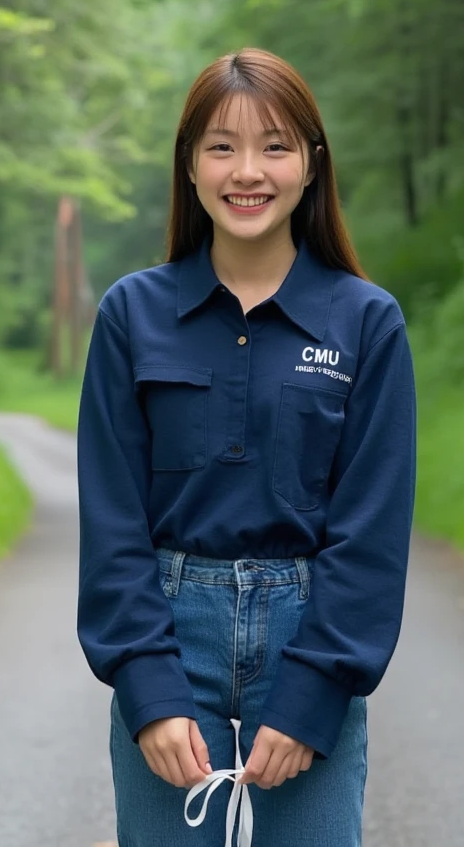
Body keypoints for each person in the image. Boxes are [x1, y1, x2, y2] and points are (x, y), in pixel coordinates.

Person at [76, 47, 417, 847]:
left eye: (275, 146)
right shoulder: (133, 314)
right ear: (190, 166)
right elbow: (113, 520)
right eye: (221, 146)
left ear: (311, 166)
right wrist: (146, 685)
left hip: (311, 628)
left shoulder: (367, 322)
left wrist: (315, 693)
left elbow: (371, 534)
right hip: (168, 624)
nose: (247, 171)